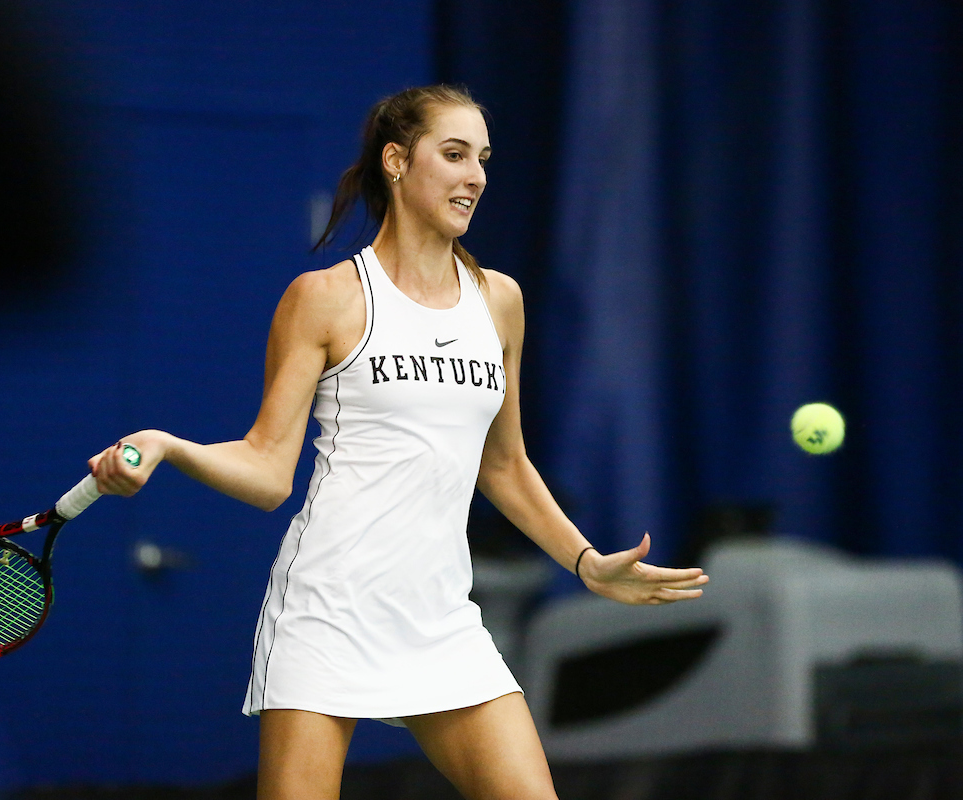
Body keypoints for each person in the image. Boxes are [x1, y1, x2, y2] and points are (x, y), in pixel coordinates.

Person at [90, 84, 708, 800]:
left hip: (442, 618)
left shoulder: (499, 301)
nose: (474, 175)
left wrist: (586, 562)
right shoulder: (326, 298)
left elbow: (504, 464)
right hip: (328, 610)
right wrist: (170, 445)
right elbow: (267, 470)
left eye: (481, 158)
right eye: (452, 154)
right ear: (395, 161)